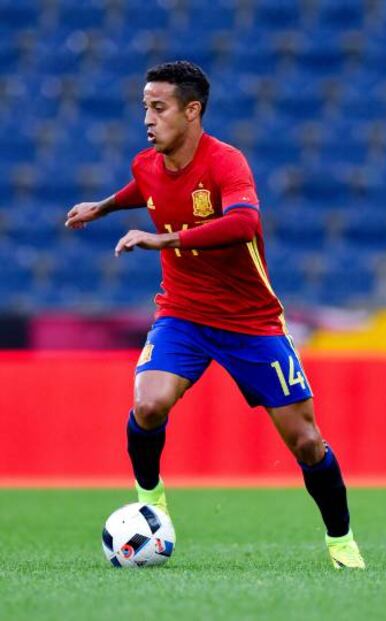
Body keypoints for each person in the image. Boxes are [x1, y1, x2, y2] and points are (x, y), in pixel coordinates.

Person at [65, 60, 365, 570]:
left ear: (192, 110)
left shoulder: (227, 163)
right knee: (149, 405)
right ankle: (151, 500)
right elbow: (148, 188)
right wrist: (106, 206)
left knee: (307, 441)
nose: (148, 118)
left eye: (158, 108)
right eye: (145, 107)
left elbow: (244, 223)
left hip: (251, 322)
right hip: (182, 313)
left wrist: (164, 238)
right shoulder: (147, 163)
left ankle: (341, 542)